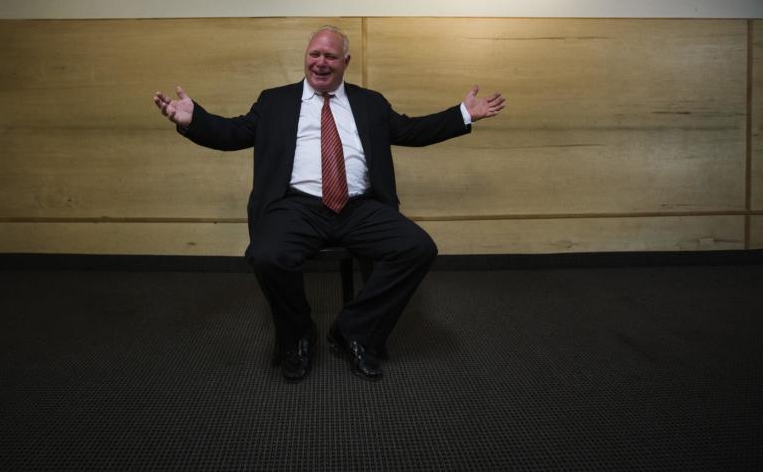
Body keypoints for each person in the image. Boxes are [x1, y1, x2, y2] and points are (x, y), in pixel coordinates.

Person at [153, 26, 505, 382]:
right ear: (306, 57)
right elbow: (233, 134)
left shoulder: (370, 103)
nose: (320, 63)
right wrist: (193, 120)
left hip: (359, 207)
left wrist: (462, 114)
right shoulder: (274, 101)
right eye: (314, 54)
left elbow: (411, 131)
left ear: (345, 62)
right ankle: (298, 335)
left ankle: (354, 330)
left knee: (417, 248)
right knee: (267, 255)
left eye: (330, 56)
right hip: (295, 206)